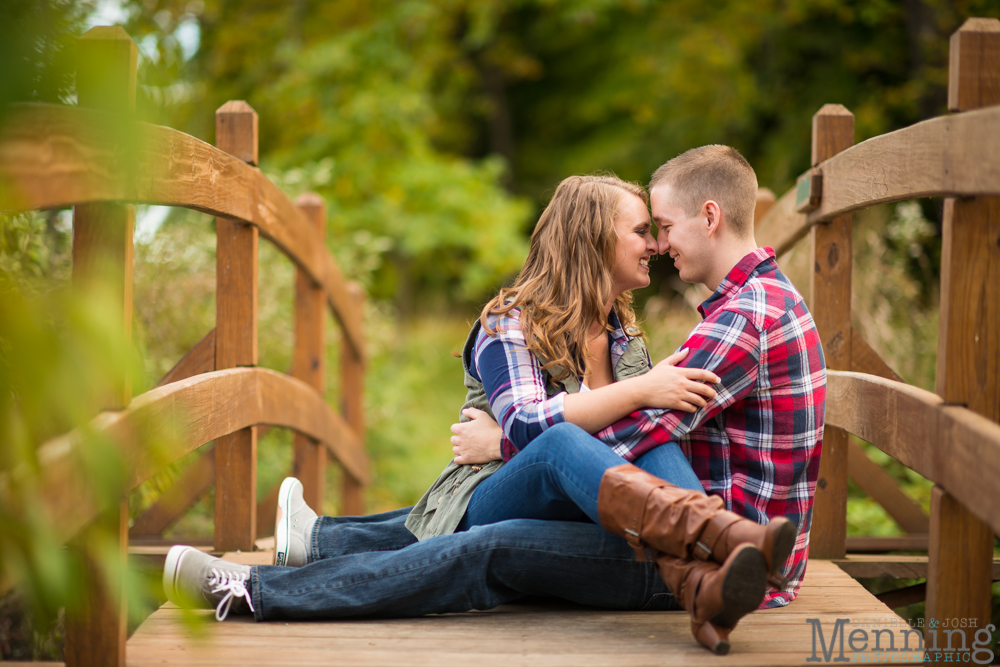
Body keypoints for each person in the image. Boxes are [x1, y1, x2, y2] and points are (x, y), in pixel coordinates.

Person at [163, 147, 825, 655]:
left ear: (708, 217)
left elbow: (631, 438)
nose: (655, 241)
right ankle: (286, 565)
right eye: (642, 229)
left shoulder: (712, 321)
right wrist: (603, 410)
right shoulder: (739, 309)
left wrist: (508, 441)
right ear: (595, 238)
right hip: (666, 535)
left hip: (683, 553)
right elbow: (618, 437)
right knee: (540, 474)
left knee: (517, 507)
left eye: (663, 226)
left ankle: (261, 583)